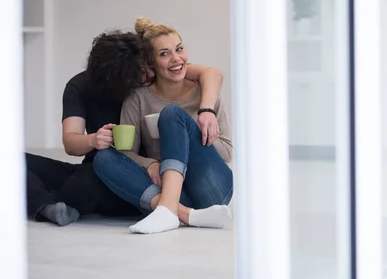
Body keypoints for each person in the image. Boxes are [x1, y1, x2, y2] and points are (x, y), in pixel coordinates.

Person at [26, 29, 224, 226]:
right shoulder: (82, 87)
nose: (149, 73)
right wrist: (93, 139)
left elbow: (210, 73)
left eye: (148, 66)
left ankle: (57, 200)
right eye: (141, 72)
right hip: (107, 165)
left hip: (145, 176)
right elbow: (70, 142)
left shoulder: (152, 74)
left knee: (77, 190)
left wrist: (206, 110)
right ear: (120, 78)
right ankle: (45, 205)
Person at [94, 18, 233, 234]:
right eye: (164, 54)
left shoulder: (206, 92)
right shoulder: (138, 99)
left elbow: (227, 151)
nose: (176, 59)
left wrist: (191, 135)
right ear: (151, 64)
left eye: (179, 49)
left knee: (171, 115)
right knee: (103, 158)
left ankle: (167, 209)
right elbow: (127, 152)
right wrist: (149, 163)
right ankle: (184, 214)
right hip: (174, 193)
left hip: (211, 191)